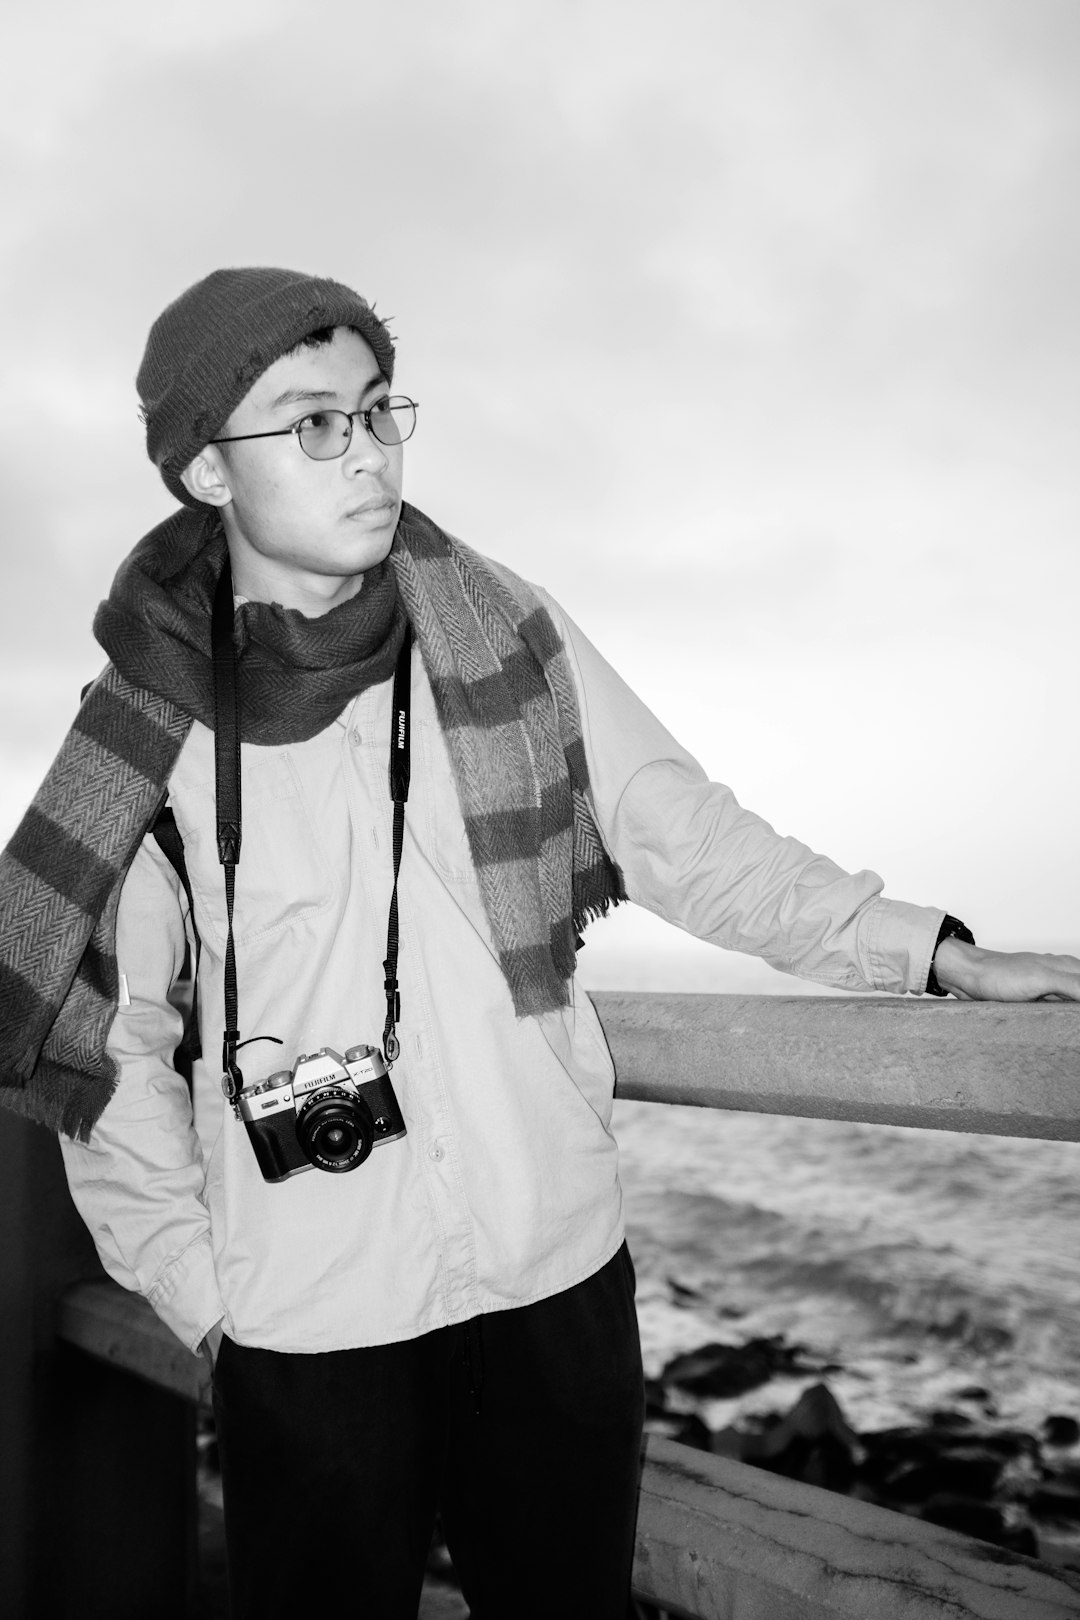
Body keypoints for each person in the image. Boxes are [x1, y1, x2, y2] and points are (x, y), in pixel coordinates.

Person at [1, 266, 1078, 1620]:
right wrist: (202, 1291)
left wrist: (932, 953)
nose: (373, 453)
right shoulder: (140, 734)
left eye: (384, 411)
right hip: (307, 1310)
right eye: (316, 424)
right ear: (208, 472)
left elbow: (684, 833)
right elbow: (107, 1047)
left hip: (551, 1274)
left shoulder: (502, 629)